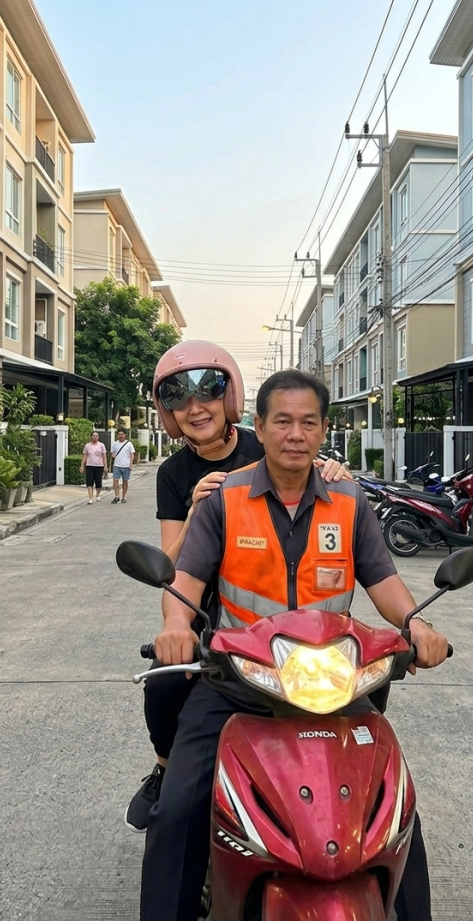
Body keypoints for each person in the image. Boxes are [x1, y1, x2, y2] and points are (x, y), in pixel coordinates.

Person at [139, 369, 448, 921]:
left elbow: (385, 583)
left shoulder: (350, 503)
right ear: (259, 426)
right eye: (282, 421)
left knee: (394, 810)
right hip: (237, 682)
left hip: (334, 683)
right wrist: (177, 628)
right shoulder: (225, 501)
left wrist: (416, 626)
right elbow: (183, 588)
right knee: (180, 806)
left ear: (324, 429)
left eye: (308, 422)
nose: (295, 434)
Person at [124, 340, 349, 833]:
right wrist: (195, 512)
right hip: (208, 616)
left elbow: (315, 481)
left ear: (230, 401)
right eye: (179, 400)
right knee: (163, 683)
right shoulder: (174, 474)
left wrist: (332, 472)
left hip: (297, 620)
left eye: (208, 394)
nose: (195, 409)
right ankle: (166, 770)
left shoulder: (267, 443)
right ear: (168, 413)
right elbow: (169, 561)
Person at [79, 431, 108, 504]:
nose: (95, 437)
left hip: (99, 466)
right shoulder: (87, 446)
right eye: (93, 436)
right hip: (89, 466)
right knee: (89, 482)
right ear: (91, 437)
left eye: (96, 436)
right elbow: (85, 456)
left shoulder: (101, 445)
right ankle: (90, 498)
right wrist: (82, 466)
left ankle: (98, 495)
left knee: (98, 482)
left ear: (98, 437)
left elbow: (104, 456)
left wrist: (105, 466)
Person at [110, 428, 136, 504]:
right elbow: (112, 453)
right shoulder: (114, 444)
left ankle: (124, 497)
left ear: (125, 435)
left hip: (126, 466)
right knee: (115, 481)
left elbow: (132, 454)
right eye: (119, 434)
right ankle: (117, 496)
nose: (120, 436)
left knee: (125, 481)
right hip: (117, 465)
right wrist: (113, 455)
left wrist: (131, 464)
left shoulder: (129, 444)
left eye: (122, 434)